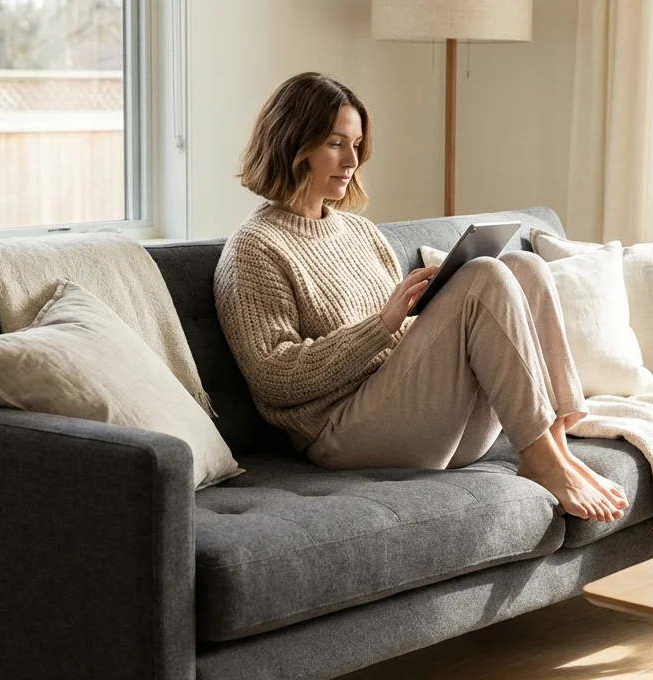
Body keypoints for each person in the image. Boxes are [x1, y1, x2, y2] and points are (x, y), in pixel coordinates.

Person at [214, 72, 627, 522]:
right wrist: (383, 325)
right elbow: (273, 378)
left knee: (524, 266)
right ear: (292, 143)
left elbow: (401, 341)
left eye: (357, 145)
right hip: (342, 433)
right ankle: (544, 461)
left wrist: (430, 312)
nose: (351, 160)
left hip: (425, 420)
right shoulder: (254, 247)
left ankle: (556, 448)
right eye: (335, 143)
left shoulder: (360, 232)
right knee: (485, 275)